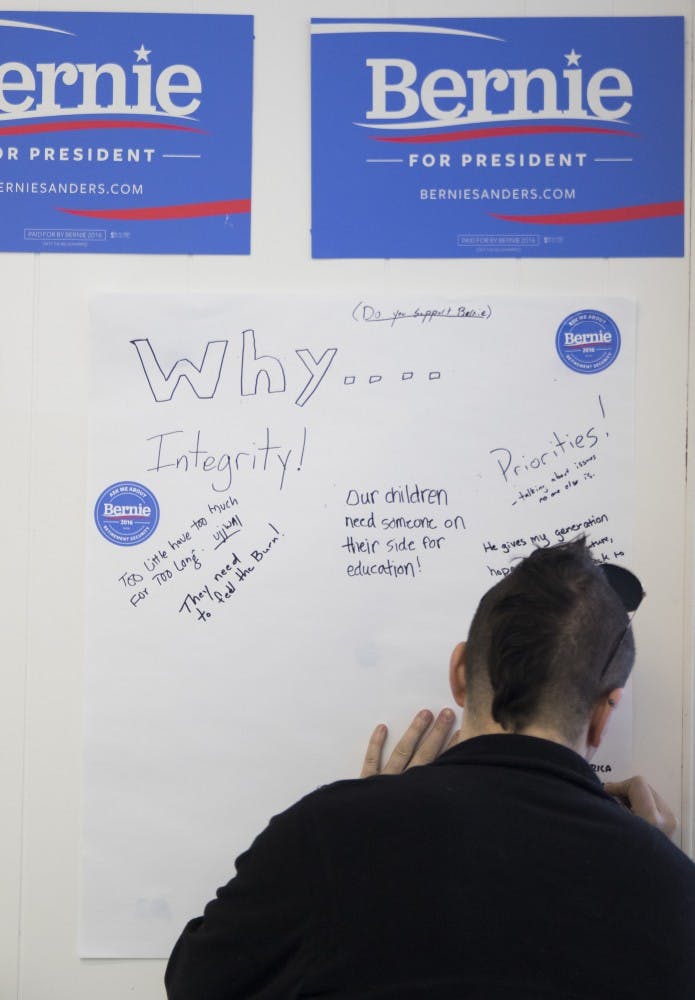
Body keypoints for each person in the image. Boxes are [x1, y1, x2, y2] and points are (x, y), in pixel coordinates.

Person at [165, 538, 695, 999]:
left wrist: (363, 820)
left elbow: (196, 985)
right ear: (606, 710)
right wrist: (648, 862)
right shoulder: (672, 893)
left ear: (460, 672)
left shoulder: (330, 836)